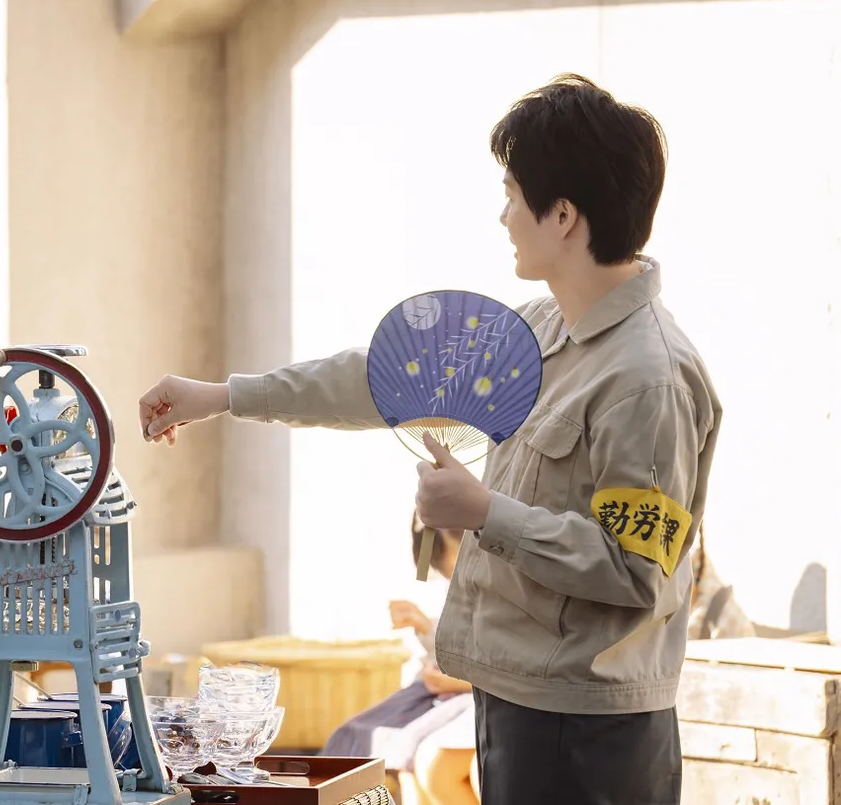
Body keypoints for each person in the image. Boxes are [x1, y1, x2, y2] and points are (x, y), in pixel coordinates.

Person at [137, 75, 720, 805]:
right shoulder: (540, 328)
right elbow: (382, 379)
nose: (504, 214)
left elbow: (639, 570)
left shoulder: (649, 377)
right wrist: (222, 396)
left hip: (591, 735)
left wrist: (484, 512)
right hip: (517, 702)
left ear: (563, 214)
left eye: (513, 193)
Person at [322, 520, 477, 805]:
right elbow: (465, 642)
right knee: (381, 748)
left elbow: (499, 657)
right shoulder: (461, 583)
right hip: (457, 691)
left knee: (434, 768)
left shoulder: (490, 577)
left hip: (482, 697)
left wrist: (459, 681)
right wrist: (424, 628)